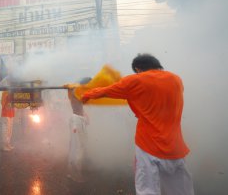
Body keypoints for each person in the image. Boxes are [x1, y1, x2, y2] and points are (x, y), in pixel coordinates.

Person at [81, 54, 194, 195]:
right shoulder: (176, 80)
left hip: (148, 146)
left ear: (138, 69)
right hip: (175, 148)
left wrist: (85, 95)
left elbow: (106, 91)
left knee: (147, 189)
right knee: (180, 190)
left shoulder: (135, 80)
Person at [66, 78, 91, 183]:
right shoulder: (77, 92)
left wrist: (85, 114)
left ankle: (72, 172)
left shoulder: (76, 92)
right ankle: (76, 174)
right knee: (78, 147)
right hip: (76, 121)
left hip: (77, 119)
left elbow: (79, 106)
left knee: (77, 146)